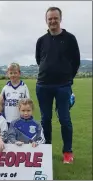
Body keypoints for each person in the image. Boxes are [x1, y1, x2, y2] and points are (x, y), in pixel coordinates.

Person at [35, 7, 80, 163]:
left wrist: (67, 78)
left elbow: (76, 62)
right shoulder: (41, 40)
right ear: (46, 20)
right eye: (50, 18)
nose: (52, 21)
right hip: (43, 86)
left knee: (65, 119)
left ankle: (67, 152)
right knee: (45, 119)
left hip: (63, 86)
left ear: (60, 19)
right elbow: (39, 60)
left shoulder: (70, 38)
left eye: (55, 18)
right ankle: (46, 148)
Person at [1, 63, 30, 127]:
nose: (13, 75)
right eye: (11, 73)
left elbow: (28, 104)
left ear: (19, 73)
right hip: (7, 120)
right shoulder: (5, 88)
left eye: (15, 73)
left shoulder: (24, 87)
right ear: (7, 74)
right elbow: (1, 103)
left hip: (21, 119)